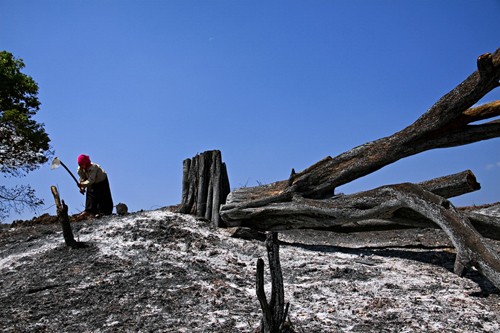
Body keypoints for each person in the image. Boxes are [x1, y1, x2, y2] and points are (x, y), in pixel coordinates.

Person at [76, 154, 113, 219]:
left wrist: (82, 184)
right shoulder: (80, 169)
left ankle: (104, 212)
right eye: (79, 164)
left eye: (82, 164)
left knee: (104, 196)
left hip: (101, 181)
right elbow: (83, 179)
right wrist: (82, 187)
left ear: (86, 163)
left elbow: (90, 180)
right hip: (91, 181)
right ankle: (89, 211)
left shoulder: (94, 167)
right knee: (90, 195)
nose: (80, 166)